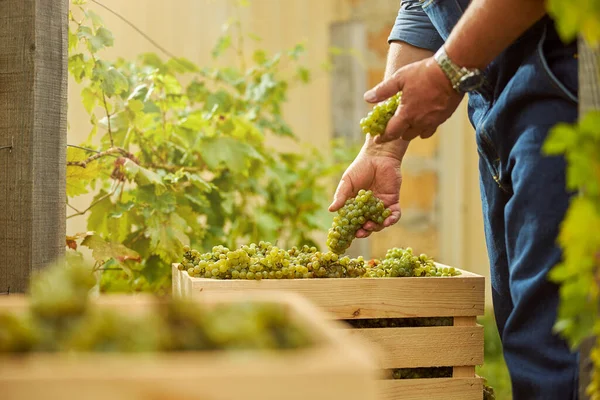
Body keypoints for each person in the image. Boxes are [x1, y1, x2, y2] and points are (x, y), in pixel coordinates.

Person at [329, 1, 579, 399]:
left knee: (559, 340)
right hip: (495, 102)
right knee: (525, 331)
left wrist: (450, 69)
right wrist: (383, 148)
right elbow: (423, 6)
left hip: (562, 85)